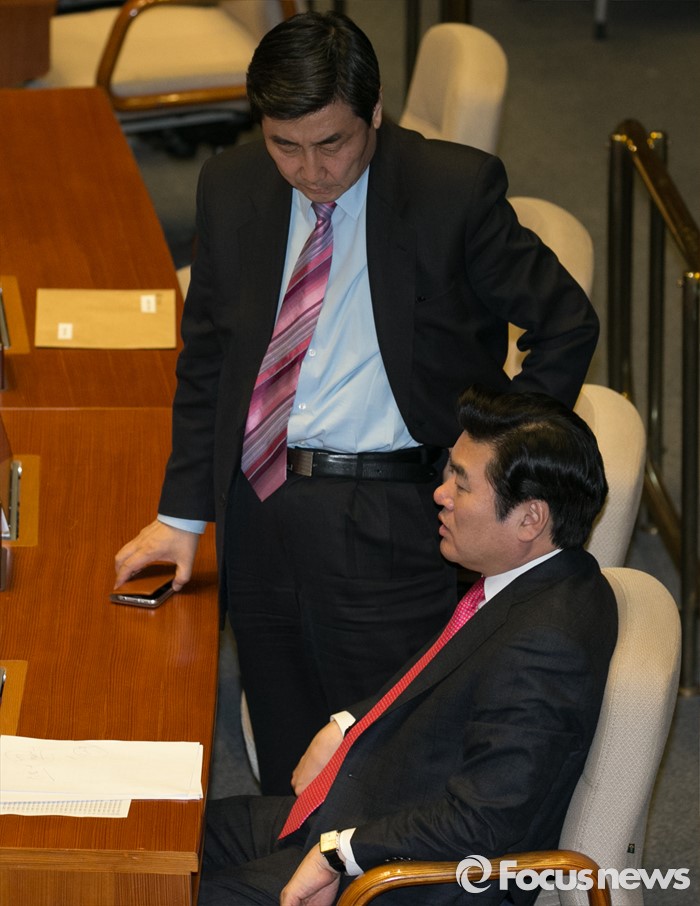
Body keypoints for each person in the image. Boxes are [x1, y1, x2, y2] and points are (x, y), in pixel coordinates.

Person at [114, 11, 600, 795]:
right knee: (287, 757)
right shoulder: (233, 185)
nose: (311, 170)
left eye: (332, 143)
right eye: (286, 145)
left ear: (374, 112)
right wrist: (182, 517)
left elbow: (566, 323)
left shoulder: (450, 191)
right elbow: (209, 358)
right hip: (259, 505)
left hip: (393, 515)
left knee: (376, 765)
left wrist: (497, 459)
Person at [197, 384, 618, 906]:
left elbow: (483, 821)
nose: (441, 494)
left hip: (402, 879)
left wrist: (341, 853)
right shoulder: (535, 580)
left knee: (161, 887)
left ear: (530, 518)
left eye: (461, 483)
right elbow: (432, 681)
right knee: (166, 832)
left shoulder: (546, 645)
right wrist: (347, 724)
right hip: (362, 809)